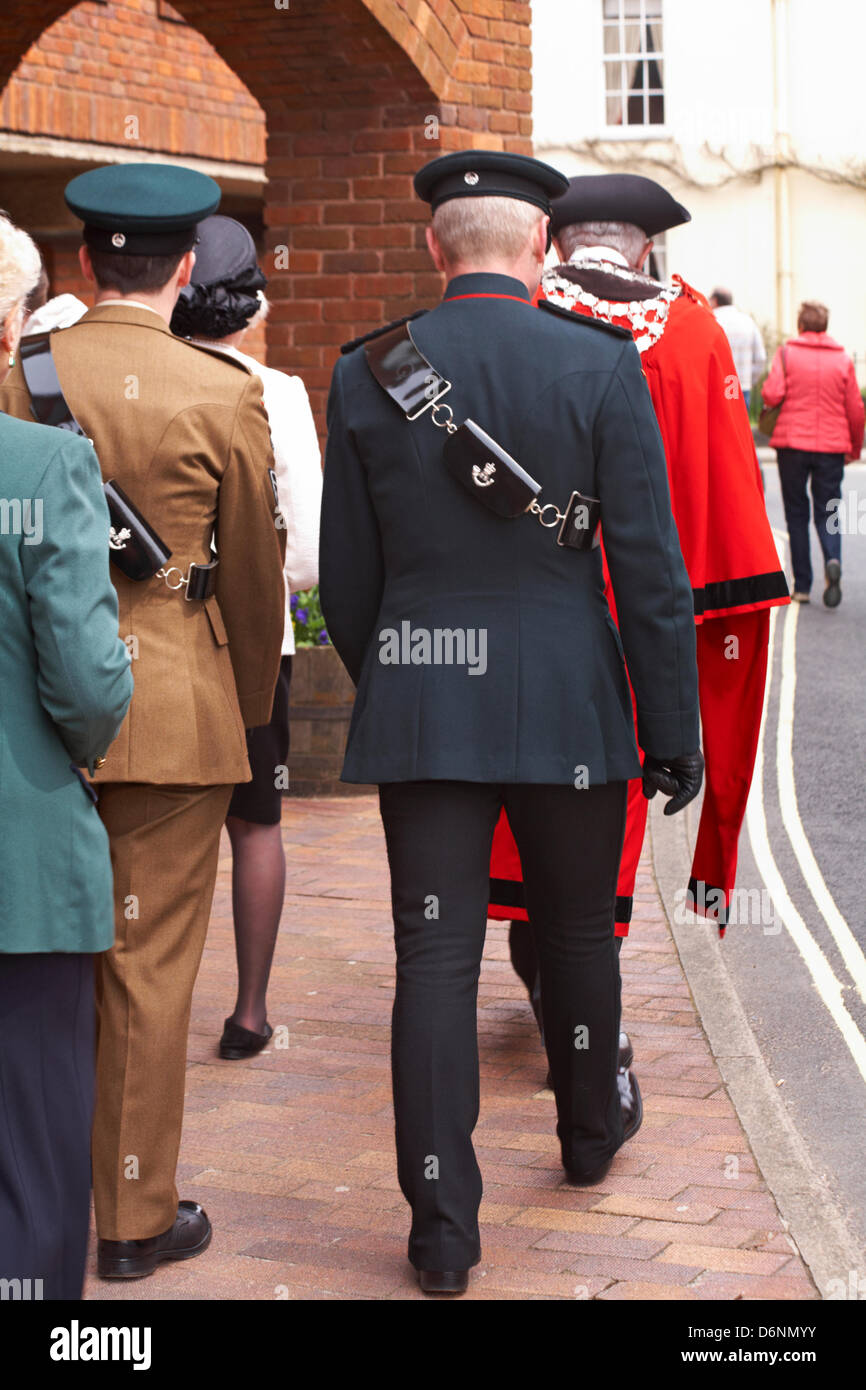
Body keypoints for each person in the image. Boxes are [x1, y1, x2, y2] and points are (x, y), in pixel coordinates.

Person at [320, 150, 703, 1296]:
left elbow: (346, 579)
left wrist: (402, 673)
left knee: (432, 959)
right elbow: (646, 568)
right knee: (578, 933)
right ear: (541, 249)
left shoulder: (366, 372)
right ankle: (587, 1133)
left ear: (435, 249)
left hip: (426, 698)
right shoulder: (596, 361)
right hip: (569, 704)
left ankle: (440, 1228)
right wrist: (670, 726)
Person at [0, 163, 286, 1280]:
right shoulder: (223, 388)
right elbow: (256, 579)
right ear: (180, 267)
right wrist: (251, 711)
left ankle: (38, 1193)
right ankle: (129, 1217)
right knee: (147, 972)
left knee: (53, 967)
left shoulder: (27, 375)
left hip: (33, 703)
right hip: (174, 709)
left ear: (83, 263)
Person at [489, 174, 789, 1081]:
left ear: (553, 240)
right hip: (631, 626)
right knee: (600, 815)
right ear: (645, 247)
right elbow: (724, 501)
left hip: (510, 609)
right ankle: (584, 1021)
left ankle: (546, 980)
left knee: (516, 797)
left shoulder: (522, 308)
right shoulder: (690, 330)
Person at [0, 213, 133, 1299]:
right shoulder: (42, 463)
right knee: (36, 1162)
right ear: (8, 327)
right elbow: (88, 686)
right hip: (20, 858)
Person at [171, 214, 322, 1057]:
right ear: (252, 307)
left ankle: (148, 1003)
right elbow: (304, 554)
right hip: (258, 647)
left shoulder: (135, 379)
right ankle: (250, 1012)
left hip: (151, 641)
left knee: (156, 829)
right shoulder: (280, 393)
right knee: (255, 823)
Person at [762, 300, 864, 607]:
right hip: (832, 447)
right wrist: (854, 447)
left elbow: (771, 394)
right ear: (825, 326)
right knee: (829, 509)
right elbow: (856, 411)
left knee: (796, 512)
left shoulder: (787, 352)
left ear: (800, 325)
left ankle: (803, 585)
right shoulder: (843, 359)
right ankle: (832, 559)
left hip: (792, 444)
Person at [709, 287, 766, 412]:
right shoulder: (747, 321)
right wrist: (749, 380)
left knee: (719, 429)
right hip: (741, 386)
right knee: (740, 429)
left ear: (715, 301)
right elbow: (761, 358)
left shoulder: (710, 321)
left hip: (717, 387)